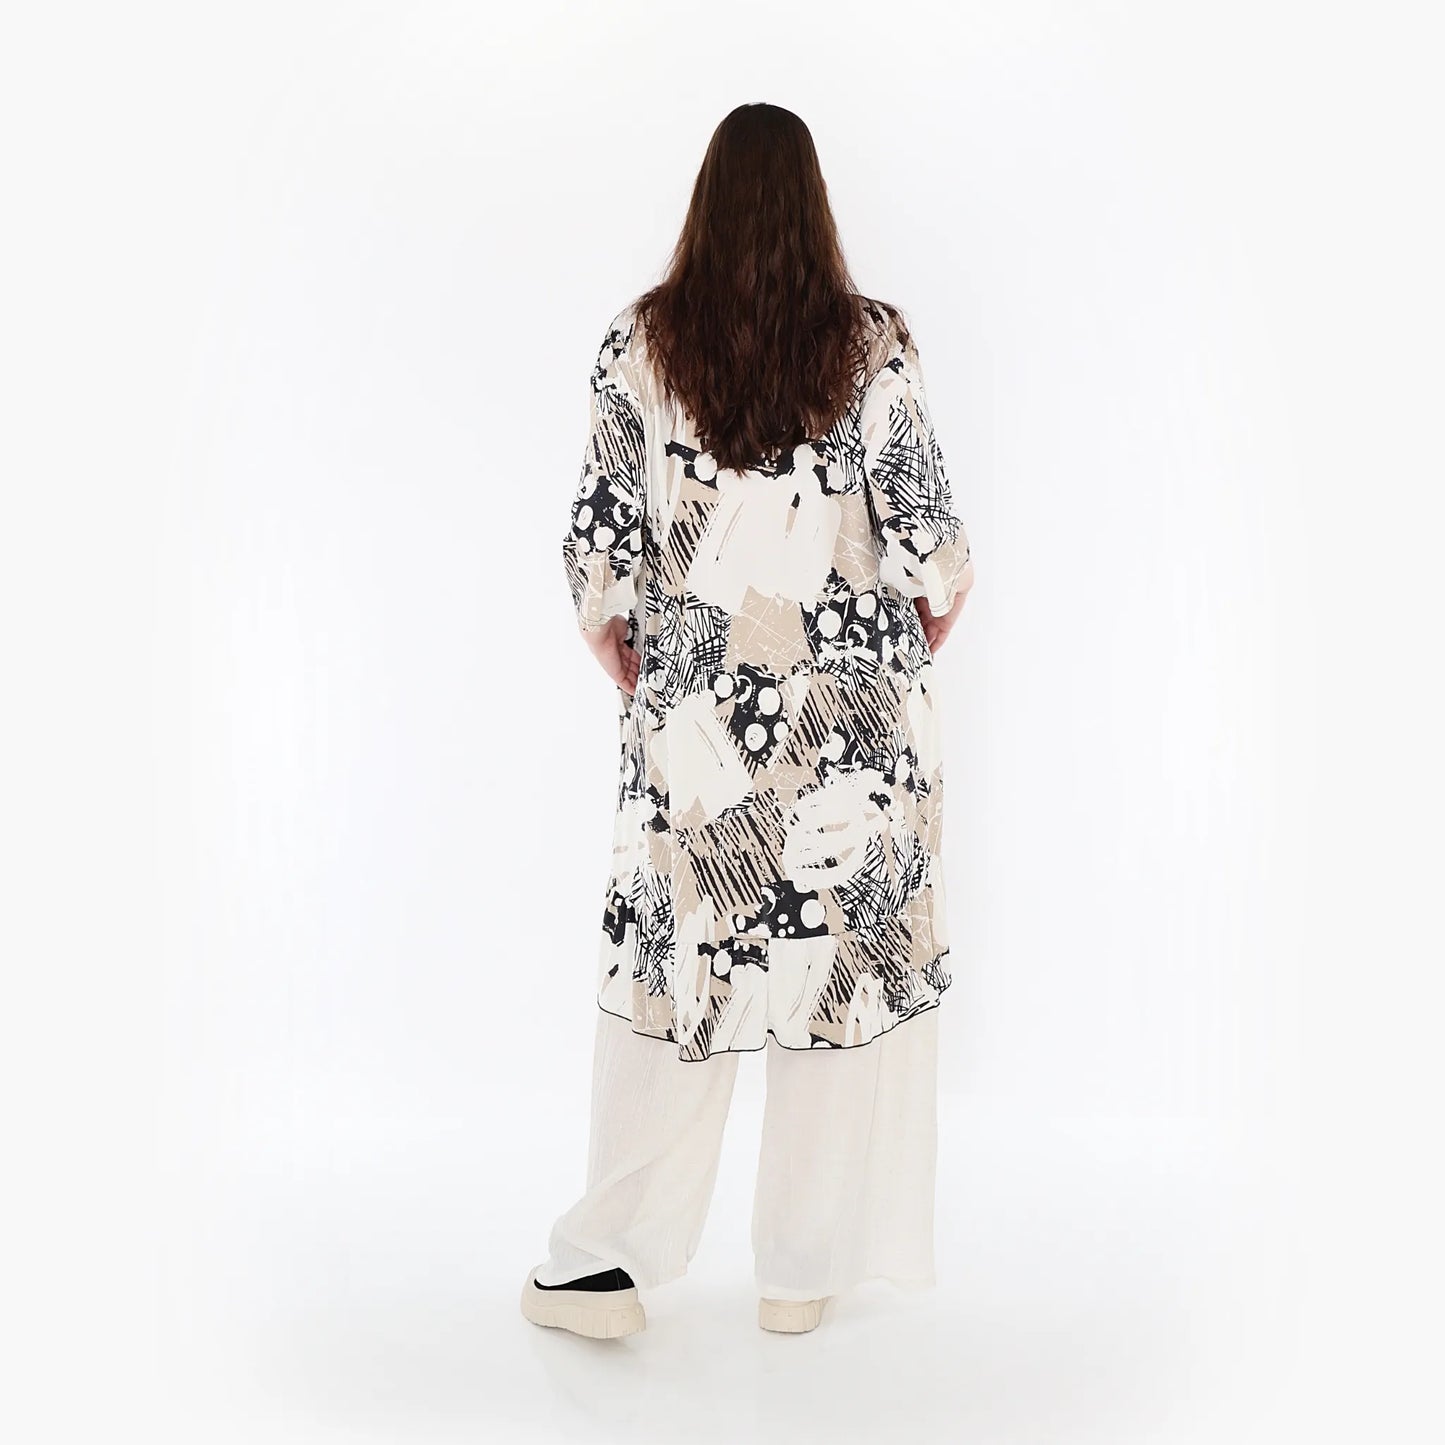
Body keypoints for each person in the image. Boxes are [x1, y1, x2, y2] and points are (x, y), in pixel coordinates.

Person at [521, 101, 974, 1340]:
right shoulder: (871, 344)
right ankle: (799, 1271)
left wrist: (616, 635)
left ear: (706, 203)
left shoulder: (640, 342)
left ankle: (605, 1262)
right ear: (813, 206)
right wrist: (924, 614)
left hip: (698, 728)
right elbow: (928, 541)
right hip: (850, 718)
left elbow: (599, 544)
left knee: (679, 978)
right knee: (831, 981)